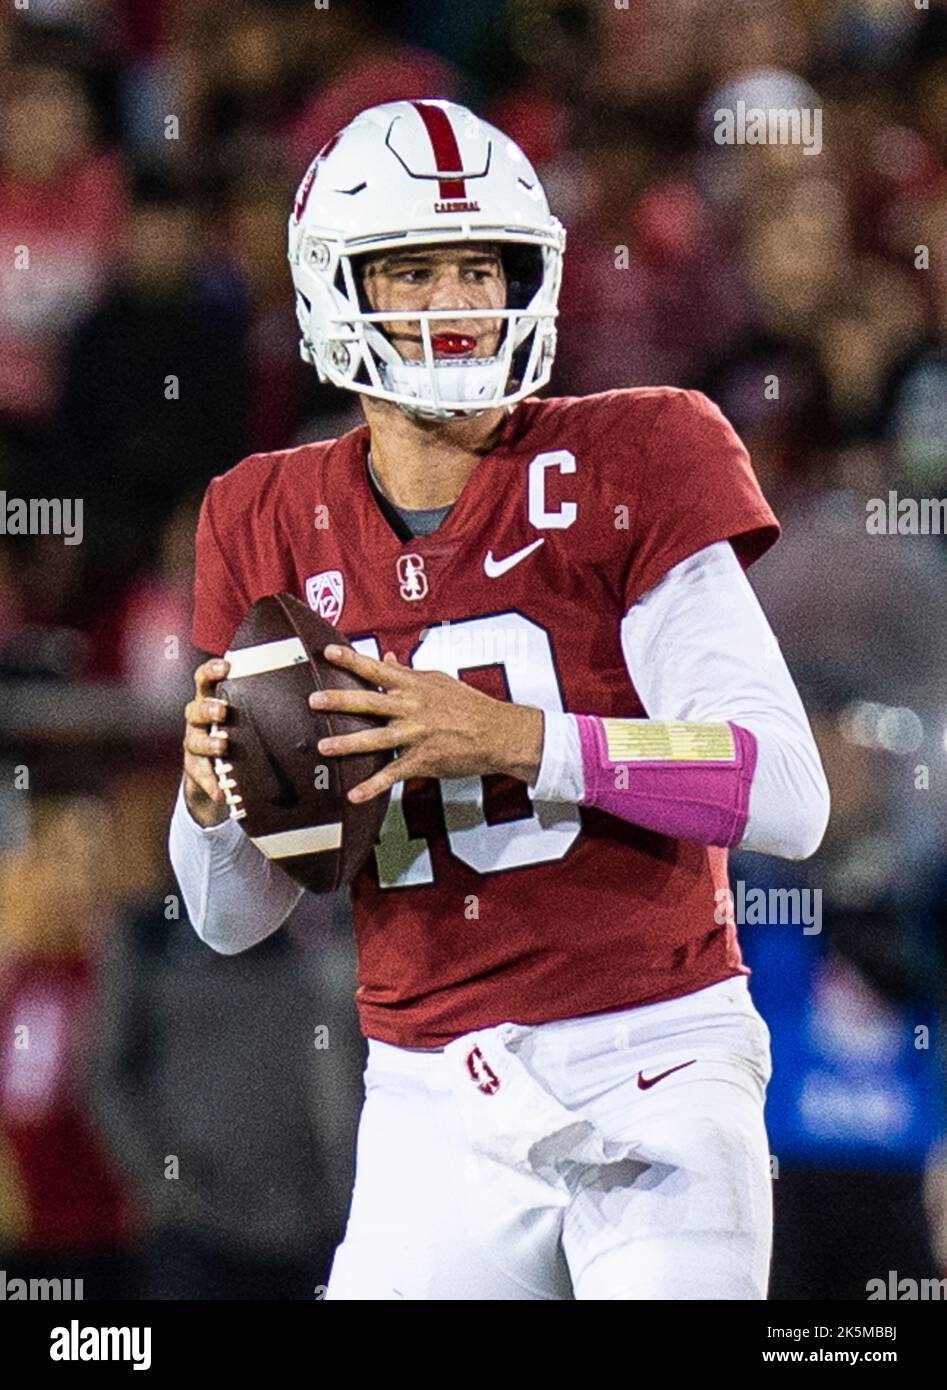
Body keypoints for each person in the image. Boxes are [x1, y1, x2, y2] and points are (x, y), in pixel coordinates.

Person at [169, 99, 830, 1301]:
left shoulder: (639, 454)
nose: (457, 302)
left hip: (655, 1059)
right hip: (425, 1088)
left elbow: (784, 791)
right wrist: (212, 802)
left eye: (482, 267)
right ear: (337, 288)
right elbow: (229, 920)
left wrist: (521, 741)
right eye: (413, 271)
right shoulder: (258, 515)